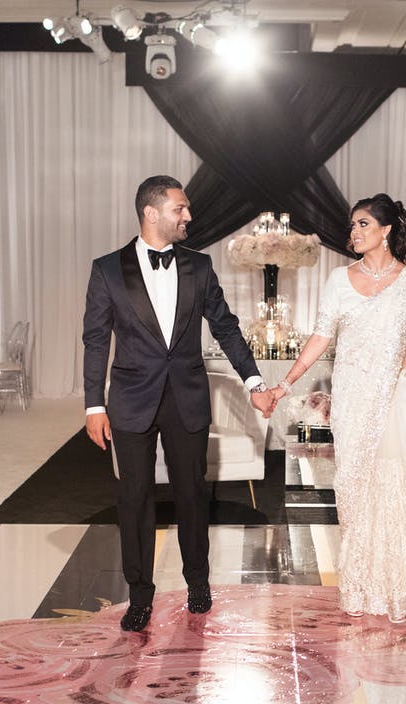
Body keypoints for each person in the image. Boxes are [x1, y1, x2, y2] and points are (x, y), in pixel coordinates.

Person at [83, 175, 276, 633]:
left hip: (187, 398)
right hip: (130, 400)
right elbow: (95, 340)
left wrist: (253, 380)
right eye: (179, 209)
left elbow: (225, 326)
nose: (188, 216)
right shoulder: (107, 270)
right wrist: (94, 405)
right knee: (134, 500)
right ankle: (139, 595)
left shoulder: (199, 267)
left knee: (192, 495)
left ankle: (198, 583)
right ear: (151, 213)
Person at [270, 194, 406, 622]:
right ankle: (362, 588)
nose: (355, 232)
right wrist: (287, 382)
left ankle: (399, 588)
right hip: (353, 397)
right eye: (353, 226)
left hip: (397, 394)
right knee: (354, 489)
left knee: (393, 485)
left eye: (363, 224)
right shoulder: (338, 280)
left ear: (386, 230)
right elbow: (320, 338)